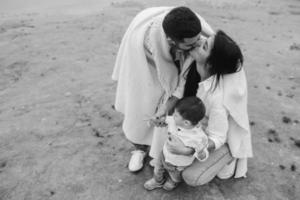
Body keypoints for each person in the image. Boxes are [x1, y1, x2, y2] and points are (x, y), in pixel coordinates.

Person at [112, 6, 214, 172]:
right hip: (146, 59)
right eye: (190, 44)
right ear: (171, 41)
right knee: (143, 102)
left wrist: (168, 105)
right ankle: (139, 147)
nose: (198, 45)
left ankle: (163, 146)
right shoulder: (145, 42)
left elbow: (186, 77)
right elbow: (147, 82)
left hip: (177, 41)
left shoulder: (195, 32)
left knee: (175, 105)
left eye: (198, 40)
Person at [153, 30, 253, 186]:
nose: (199, 42)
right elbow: (179, 91)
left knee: (191, 177)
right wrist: (163, 111)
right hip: (196, 130)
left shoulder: (217, 98)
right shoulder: (192, 63)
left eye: (205, 46)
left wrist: (189, 150)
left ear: (211, 63)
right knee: (168, 148)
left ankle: (228, 155)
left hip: (215, 137)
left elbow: (217, 137)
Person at [144, 97, 209, 191]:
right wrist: (156, 120)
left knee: (174, 176)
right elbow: (165, 120)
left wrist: (201, 151)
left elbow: (204, 156)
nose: (172, 116)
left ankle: (173, 181)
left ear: (186, 123)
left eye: (175, 115)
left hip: (178, 164)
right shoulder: (174, 121)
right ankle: (158, 180)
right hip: (164, 154)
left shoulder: (199, 138)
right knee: (158, 168)